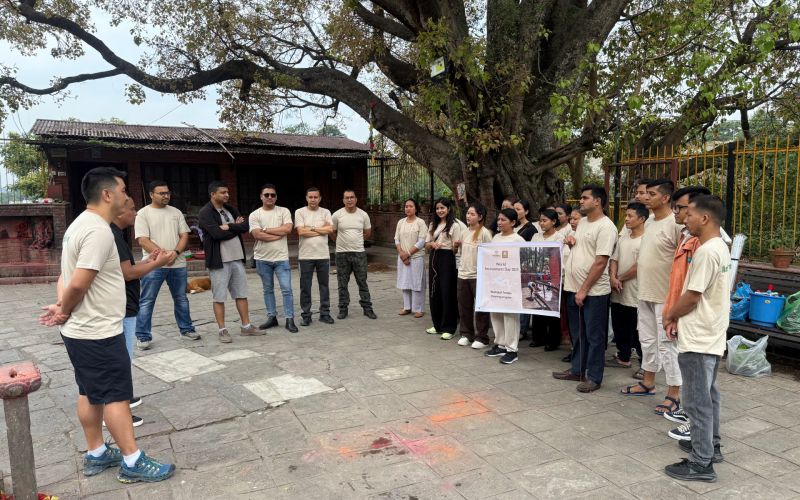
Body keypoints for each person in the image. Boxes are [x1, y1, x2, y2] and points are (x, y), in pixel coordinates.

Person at [40, 167, 174, 483]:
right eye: (124, 190)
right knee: (115, 395)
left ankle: (96, 453)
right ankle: (132, 461)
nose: (128, 196)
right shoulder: (98, 231)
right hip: (98, 330)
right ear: (107, 194)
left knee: (90, 392)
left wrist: (63, 307)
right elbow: (77, 284)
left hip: (82, 331)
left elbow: (66, 277)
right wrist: (64, 309)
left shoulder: (78, 225)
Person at [663, 195, 730, 483]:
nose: (684, 217)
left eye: (688, 213)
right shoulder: (720, 248)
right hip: (712, 333)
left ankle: (701, 463)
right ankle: (710, 446)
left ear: (704, 218)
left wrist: (670, 315)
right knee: (709, 395)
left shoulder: (706, 252)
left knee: (696, 401)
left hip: (699, 336)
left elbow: (691, 296)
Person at [621, 179, 684, 417]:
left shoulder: (675, 224)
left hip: (665, 296)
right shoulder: (650, 223)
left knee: (668, 346)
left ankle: (674, 394)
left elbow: (685, 261)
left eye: (651, 194)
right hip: (644, 293)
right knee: (647, 341)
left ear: (665, 198)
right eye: (645, 193)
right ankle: (648, 382)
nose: (645, 197)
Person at [111, 198, 172, 427]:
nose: (135, 213)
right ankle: (116, 409)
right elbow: (128, 274)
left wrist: (148, 261)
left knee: (124, 358)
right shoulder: (111, 235)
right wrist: (157, 264)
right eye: (132, 208)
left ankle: (123, 398)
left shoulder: (116, 234)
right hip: (120, 306)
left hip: (125, 304)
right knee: (121, 359)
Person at [659, 185, 714, 427]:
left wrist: (674, 314)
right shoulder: (686, 236)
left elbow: (695, 292)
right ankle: (695, 422)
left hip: (696, 319)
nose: (677, 212)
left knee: (699, 379)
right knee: (693, 375)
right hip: (681, 311)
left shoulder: (708, 245)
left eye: (682, 208)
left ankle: (699, 435)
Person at [552, 185, 617, 393]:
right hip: (573, 287)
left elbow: (600, 262)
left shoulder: (606, 227)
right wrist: (571, 242)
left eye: (584, 197)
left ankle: (594, 377)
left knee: (594, 336)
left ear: (597, 201)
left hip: (593, 292)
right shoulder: (583, 224)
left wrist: (584, 290)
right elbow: (584, 250)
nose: (581, 201)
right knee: (578, 333)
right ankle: (578, 369)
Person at [134, 180, 197, 349]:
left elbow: (184, 236)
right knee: (147, 300)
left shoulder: (176, 212)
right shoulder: (143, 213)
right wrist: (162, 255)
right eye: (161, 193)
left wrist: (175, 253)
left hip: (178, 263)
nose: (166, 196)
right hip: (153, 265)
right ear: (151, 195)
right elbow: (142, 239)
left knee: (181, 298)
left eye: (167, 193)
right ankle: (143, 335)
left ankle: (187, 329)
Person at [198, 181, 261, 343]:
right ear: (213, 194)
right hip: (219, 261)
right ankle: (222, 330)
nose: (227, 195)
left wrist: (228, 226)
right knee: (219, 296)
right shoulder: (205, 212)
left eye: (227, 192)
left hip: (236, 259)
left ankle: (246, 327)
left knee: (241, 293)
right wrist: (234, 226)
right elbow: (216, 234)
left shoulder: (231, 209)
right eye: (222, 192)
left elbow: (245, 227)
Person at [249, 184, 298, 333]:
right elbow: (257, 235)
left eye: (273, 195)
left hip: (281, 258)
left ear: (276, 197)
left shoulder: (283, 211)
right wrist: (279, 233)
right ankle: (272, 317)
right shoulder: (255, 214)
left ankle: (289, 319)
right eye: (267, 195)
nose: (270, 197)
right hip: (262, 259)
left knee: (287, 289)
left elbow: (288, 229)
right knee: (268, 289)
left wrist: (266, 230)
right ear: (261, 197)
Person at [607, 202, 646, 371]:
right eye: (626, 215)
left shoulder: (646, 240)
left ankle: (645, 364)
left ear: (642, 219)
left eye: (630, 216)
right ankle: (623, 357)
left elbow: (639, 266)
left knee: (637, 330)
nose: (627, 219)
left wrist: (619, 279)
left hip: (634, 292)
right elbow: (614, 259)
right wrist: (613, 277)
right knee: (619, 325)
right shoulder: (623, 238)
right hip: (618, 291)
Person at [485, 207, 525, 364]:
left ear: (513, 222)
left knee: (510, 316)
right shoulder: (495, 238)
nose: (499, 222)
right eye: (499, 219)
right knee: (496, 314)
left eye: (503, 220)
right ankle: (500, 344)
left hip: (511, 285)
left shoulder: (518, 240)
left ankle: (512, 349)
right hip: (496, 283)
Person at [331, 189, 377, 320]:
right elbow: (332, 231)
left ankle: (367, 308)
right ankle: (343, 309)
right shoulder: (337, 215)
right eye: (347, 198)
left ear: (356, 199)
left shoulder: (363, 215)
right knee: (342, 283)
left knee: (362, 282)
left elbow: (367, 232)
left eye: (352, 197)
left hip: (359, 253)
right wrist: (339, 241)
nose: (349, 200)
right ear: (343, 200)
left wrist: (358, 241)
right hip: (342, 254)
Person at [295, 187, 335, 326]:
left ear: (320, 198)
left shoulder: (326, 212)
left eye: (315, 197)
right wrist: (320, 229)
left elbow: (330, 229)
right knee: (305, 287)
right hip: (305, 256)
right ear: (306, 198)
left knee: (324, 286)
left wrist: (310, 228)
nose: (313, 200)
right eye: (310, 197)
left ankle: (325, 313)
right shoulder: (300, 212)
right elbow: (301, 232)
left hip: (323, 256)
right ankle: (306, 315)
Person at [456, 202, 493, 348]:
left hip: (478, 276)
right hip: (463, 274)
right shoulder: (464, 232)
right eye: (467, 213)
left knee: (481, 307)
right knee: (464, 306)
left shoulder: (485, 233)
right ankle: (466, 334)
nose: (468, 216)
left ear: (480, 216)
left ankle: (482, 337)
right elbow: (460, 253)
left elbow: (490, 255)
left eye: (472, 214)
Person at [529, 208, 567, 351]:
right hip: (537, 275)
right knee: (538, 306)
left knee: (551, 308)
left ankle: (553, 340)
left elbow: (560, 257)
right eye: (540, 220)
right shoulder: (536, 237)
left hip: (553, 278)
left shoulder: (559, 238)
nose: (541, 223)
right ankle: (538, 338)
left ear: (554, 222)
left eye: (545, 221)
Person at [424, 198, 462, 340]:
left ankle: (449, 327)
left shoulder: (455, 225)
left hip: (447, 258)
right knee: (434, 291)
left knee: (447, 292)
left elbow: (455, 248)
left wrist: (456, 246)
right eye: (438, 208)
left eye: (443, 208)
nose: (440, 211)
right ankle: (437, 324)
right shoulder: (433, 224)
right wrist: (432, 244)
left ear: (449, 209)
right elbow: (426, 243)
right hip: (434, 257)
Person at [395, 198, 428, 318]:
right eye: (406, 206)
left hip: (416, 257)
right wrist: (402, 254)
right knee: (405, 282)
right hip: (403, 257)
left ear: (416, 208)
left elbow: (422, 241)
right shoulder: (400, 222)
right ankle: (407, 307)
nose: (407, 208)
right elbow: (396, 239)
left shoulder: (420, 222)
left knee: (417, 282)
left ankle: (419, 309)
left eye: (410, 206)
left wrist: (408, 253)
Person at [514, 200, 537, 340]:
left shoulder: (530, 229)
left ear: (526, 211)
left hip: (524, 268)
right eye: (514, 209)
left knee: (524, 297)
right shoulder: (512, 227)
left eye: (518, 209)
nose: (516, 212)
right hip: (510, 268)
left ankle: (522, 328)